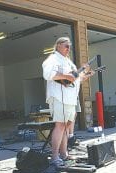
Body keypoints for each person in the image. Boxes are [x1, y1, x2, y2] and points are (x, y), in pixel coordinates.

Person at [42, 37, 93, 166]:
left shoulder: (69, 62)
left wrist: (85, 75)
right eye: (66, 46)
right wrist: (66, 76)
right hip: (59, 97)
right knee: (60, 126)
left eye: (69, 46)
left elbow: (75, 79)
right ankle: (54, 156)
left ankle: (64, 154)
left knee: (66, 127)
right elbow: (48, 74)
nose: (68, 48)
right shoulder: (53, 59)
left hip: (70, 99)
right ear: (58, 45)